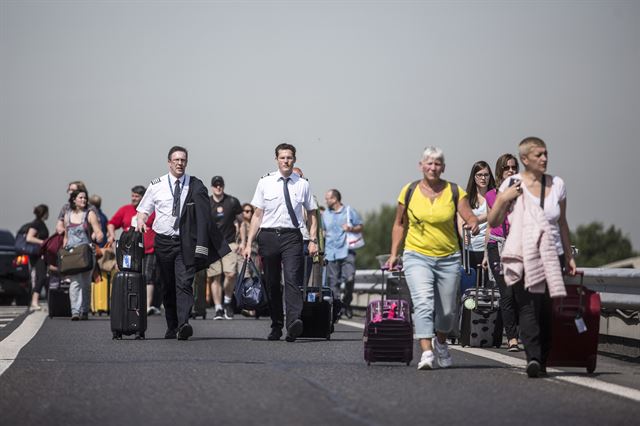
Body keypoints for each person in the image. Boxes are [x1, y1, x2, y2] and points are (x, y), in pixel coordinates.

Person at [488, 137, 577, 378]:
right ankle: (534, 358)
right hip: (523, 253)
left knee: (547, 309)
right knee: (527, 306)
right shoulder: (511, 182)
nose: (544, 159)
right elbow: (494, 221)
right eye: (538, 155)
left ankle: (544, 356)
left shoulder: (557, 184)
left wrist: (569, 255)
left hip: (552, 253)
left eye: (546, 154)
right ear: (525, 159)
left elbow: (562, 222)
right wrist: (504, 198)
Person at [386, 146, 479, 371]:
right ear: (421, 166)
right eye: (429, 163)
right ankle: (427, 352)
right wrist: (394, 253)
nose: (433, 167)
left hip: (448, 257)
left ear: (443, 167)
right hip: (416, 255)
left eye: (437, 163)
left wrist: (474, 222)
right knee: (424, 304)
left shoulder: (454, 191)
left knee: (447, 311)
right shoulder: (408, 191)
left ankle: (441, 342)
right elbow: (399, 223)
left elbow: (468, 215)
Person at [136, 146, 229, 341]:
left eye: (183, 160)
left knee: (185, 283)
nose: (180, 163)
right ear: (169, 162)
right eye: (176, 160)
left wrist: (202, 245)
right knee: (167, 286)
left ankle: (183, 323)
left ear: (186, 162)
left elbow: (205, 218)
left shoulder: (196, 185)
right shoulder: (157, 185)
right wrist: (142, 221)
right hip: (163, 242)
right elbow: (143, 210)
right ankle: (172, 325)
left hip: (185, 243)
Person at [243, 143, 318, 342]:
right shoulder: (265, 182)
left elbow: (312, 214)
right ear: (276, 159)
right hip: (268, 237)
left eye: (289, 157)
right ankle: (276, 324)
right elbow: (257, 215)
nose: (286, 161)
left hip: (292, 237)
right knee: (273, 282)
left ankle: (293, 322)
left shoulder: (302, 184)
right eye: (282, 157)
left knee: (292, 279)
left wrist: (313, 240)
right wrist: (249, 243)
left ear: (295, 160)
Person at [485, 153, 521, 352]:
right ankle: (513, 338)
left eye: (514, 167)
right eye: (507, 168)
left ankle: (519, 332)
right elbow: (491, 224)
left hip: (518, 246)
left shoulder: (524, 193)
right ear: (500, 171)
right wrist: (484, 254)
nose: (511, 171)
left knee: (519, 293)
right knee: (506, 293)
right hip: (497, 246)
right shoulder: (492, 195)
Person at [107, 185, 161, 315]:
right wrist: (111, 234)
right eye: (133, 196)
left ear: (143, 198)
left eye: (137, 196)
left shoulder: (152, 211)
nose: (134, 198)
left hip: (149, 250)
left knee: (148, 277)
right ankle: (128, 303)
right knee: (129, 275)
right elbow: (112, 223)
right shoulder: (125, 210)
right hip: (129, 251)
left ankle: (147, 305)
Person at [62, 189, 104, 320]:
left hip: (86, 253)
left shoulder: (89, 214)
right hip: (73, 254)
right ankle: (75, 311)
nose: (84, 200)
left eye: (85, 198)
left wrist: (99, 236)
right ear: (74, 199)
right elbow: (66, 235)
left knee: (85, 283)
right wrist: (64, 250)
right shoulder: (67, 215)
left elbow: (98, 231)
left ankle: (85, 310)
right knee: (75, 282)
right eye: (80, 198)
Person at [322, 188, 364, 319]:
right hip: (331, 252)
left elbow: (361, 226)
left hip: (346, 251)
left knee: (350, 278)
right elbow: (322, 230)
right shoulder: (325, 215)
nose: (326, 200)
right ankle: (337, 309)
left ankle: (346, 302)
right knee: (333, 283)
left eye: (328, 198)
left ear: (334, 199)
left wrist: (351, 228)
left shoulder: (349, 211)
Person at [206, 175, 243, 320]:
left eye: (220, 185)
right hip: (212, 245)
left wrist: (243, 241)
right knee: (215, 277)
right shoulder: (207, 202)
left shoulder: (232, 201)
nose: (218, 187)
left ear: (223, 186)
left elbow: (242, 222)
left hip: (230, 243)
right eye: (215, 185)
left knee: (230, 274)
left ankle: (227, 301)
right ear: (212, 187)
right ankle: (218, 308)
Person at [460, 161, 496, 283]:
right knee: (471, 285)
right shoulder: (466, 197)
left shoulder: (494, 196)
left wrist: (476, 220)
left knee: (487, 284)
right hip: (470, 249)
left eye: (486, 175)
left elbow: (494, 214)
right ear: (474, 177)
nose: (483, 178)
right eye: (479, 175)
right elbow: (460, 220)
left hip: (488, 247)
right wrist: (463, 235)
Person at [292, 167, 315, 287]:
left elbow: (313, 221)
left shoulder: (308, 197)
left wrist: (314, 242)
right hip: (289, 241)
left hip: (305, 241)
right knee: (290, 278)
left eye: (300, 178)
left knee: (303, 280)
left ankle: (300, 304)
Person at [25, 204, 49, 310]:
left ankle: (38, 301)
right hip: (37, 255)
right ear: (44, 213)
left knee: (43, 277)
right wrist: (42, 242)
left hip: (41, 254)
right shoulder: (37, 223)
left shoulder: (40, 223)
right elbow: (29, 238)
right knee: (41, 277)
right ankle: (34, 301)